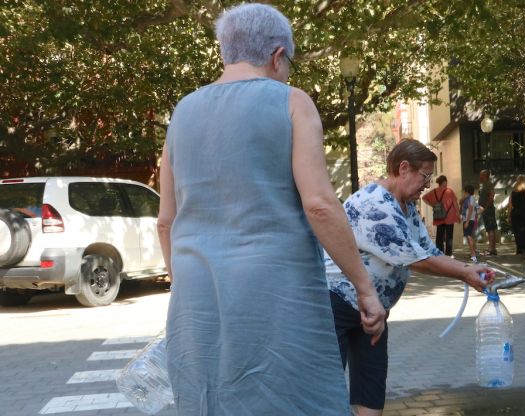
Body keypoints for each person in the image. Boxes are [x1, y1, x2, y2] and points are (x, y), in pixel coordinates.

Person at [156, 4, 386, 415]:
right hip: (277, 291)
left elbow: (166, 221)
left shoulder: (182, 112)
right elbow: (318, 205)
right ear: (278, 56)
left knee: (210, 400)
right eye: (289, 63)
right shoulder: (292, 102)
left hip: (196, 294)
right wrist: (364, 290)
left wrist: (183, 284)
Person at [325, 140, 494, 416]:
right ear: (404, 168)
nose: (427, 186)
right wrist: (464, 274)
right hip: (336, 305)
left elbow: (428, 250)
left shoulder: (406, 206)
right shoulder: (374, 204)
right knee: (326, 392)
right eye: (425, 177)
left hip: (373, 310)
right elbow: (416, 259)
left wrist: (467, 267)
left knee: (371, 394)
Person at [421, 175, 459, 256]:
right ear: (444, 182)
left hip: (439, 216)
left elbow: (424, 198)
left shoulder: (434, 191)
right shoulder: (449, 191)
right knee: (449, 236)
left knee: (439, 236)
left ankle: (440, 253)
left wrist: (432, 205)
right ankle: (448, 254)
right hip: (450, 216)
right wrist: (458, 214)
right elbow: (455, 203)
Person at [508, 174, 525, 258]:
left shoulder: (513, 193)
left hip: (516, 215)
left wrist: (509, 216)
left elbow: (510, 205)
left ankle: (521, 249)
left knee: (519, 234)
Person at [478, 169, 498, 256]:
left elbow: (492, 194)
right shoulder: (485, 184)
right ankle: (492, 249)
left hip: (488, 210)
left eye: (481, 175)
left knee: (490, 229)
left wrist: (486, 207)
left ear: (484, 176)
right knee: (490, 229)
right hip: (487, 209)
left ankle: (491, 249)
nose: (479, 177)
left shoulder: (488, 184)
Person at [461, 183, 481, 263]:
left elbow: (470, 208)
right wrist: (476, 214)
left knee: (468, 237)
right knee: (470, 237)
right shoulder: (471, 198)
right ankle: (473, 253)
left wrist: (468, 221)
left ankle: (473, 255)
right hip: (470, 220)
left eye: (464, 191)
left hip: (468, 220)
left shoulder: (470, 198)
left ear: (467, 191)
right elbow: (480, 208)